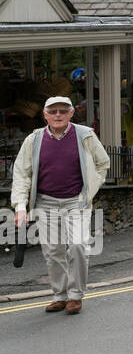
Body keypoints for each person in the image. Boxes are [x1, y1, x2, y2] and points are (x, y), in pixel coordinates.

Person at [10, 96, 111, 315]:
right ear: (45, 115)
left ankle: (75, 296)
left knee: (77, 245)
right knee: (53, 251)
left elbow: (103, 163)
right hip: (45, 202)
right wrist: (20, 206)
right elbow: (21, 173)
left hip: (76, 201)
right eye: (53, 111)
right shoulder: (34, 139)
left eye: (63, 111)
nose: (58, 115)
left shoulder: (85, 135)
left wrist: (90, 190)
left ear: (71, 113)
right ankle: (60, 295)